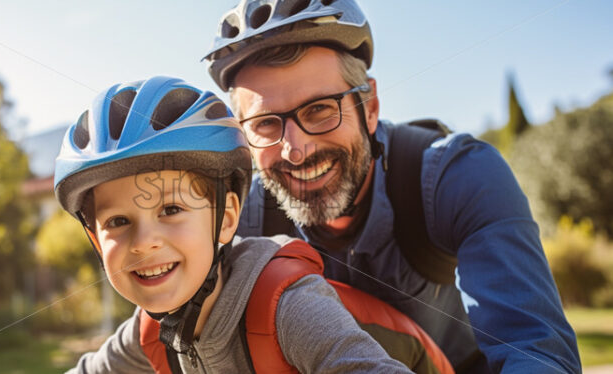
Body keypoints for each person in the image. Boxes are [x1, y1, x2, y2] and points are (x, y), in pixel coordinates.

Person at [203, 1, 581, 373]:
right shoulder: (239, 223)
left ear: (369, 108)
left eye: (319, 109)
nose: (295, 150)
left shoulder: (459, 175)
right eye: (266, 124)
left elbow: (535, 349)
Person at [55, 76, 422, 373]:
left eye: (170, 210)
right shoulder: (147, 332)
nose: (144, 242)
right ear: (96, 240)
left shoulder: (288, 308)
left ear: (227, 219)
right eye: (118, 221)